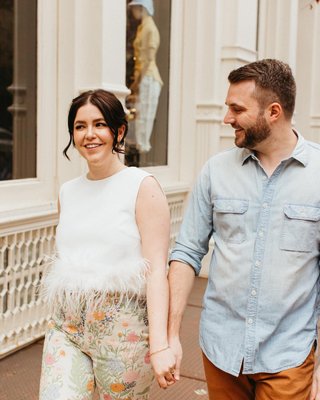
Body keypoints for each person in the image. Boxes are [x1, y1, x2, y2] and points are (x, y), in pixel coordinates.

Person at [168, 59, 320, 399]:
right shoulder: (215, 171)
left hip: (288, 357)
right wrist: (171, 336)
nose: (227, 118)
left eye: (237, 109)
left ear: (273, 112)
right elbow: (186, 252)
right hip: (221, 351)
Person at [39, 89, 176, 400]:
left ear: (119, 131)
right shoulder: (68, 192)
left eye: (99, 124)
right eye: (80, 126)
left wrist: (160, 345)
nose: (89, 135)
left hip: (123, 331)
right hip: (67, 325)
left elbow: (156, 273)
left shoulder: (143, 187)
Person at [127, 0, 163, 153]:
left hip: (147, 77)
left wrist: (137, 82)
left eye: (135, 8)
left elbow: (148, 59)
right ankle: (140, 147)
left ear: (142, 8)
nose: (133, 12)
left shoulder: (150, 28)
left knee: (145, 116)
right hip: (142, 77)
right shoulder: (143, 27)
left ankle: (143, 148)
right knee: (139, 115)